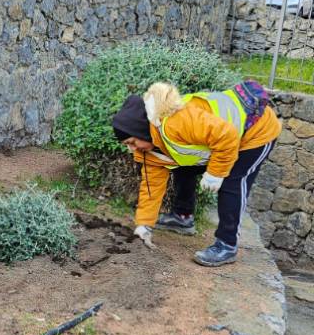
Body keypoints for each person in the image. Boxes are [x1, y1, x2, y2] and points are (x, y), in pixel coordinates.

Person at [111, 80, 281, 266]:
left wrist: (215, 173)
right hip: (223, 139)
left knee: (232, 182)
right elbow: (151, 188)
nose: (131, 149)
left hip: (255, 132)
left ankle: (227, 245)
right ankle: (183, 217)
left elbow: (227, 136)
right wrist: (144, 225)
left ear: (141, 131)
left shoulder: (177, 123)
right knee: (183, 166)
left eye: (132, 142)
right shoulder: (150, 150)